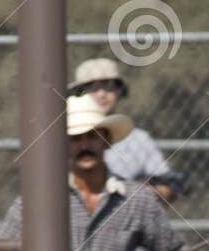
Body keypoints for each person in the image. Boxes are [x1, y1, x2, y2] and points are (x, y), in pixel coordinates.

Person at [0, 95, 184, 251]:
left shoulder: (137, 199)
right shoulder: (33, 203)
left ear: (107, 141)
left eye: (93, 136)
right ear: (63, 145)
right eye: (76, 138)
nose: (84, 145)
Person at [69, 57, 175, 196]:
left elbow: (168, 187)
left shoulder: (140, 140)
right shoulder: (60, 137)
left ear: (120, 92)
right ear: (78, 93)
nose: (101, 94)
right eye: (92, 87)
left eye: (109, 87)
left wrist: (133, 197)